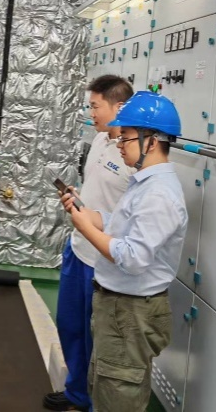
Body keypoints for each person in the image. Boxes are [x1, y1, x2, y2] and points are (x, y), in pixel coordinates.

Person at [62, 91, 187, 412]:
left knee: (118, 396)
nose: (119, 143)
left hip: (130, 312)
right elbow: (121, 226)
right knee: (106, 388)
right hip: (119, 308)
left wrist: (85, 229)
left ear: (151, 141)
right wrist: (89, 215)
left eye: (127, 137)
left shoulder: (159, 194)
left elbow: (132, 257)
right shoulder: (144, 183)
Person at [43, 75, 134, 412]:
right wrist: (77, 198)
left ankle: (95, 402)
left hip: (103, 260)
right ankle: (77, 393)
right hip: (78, 249)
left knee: (98, 337)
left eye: (95, 106)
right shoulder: (99, 140)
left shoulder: (133, 157)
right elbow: (98, 190)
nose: (90, 112)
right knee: (71, 327)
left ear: (118, 107)